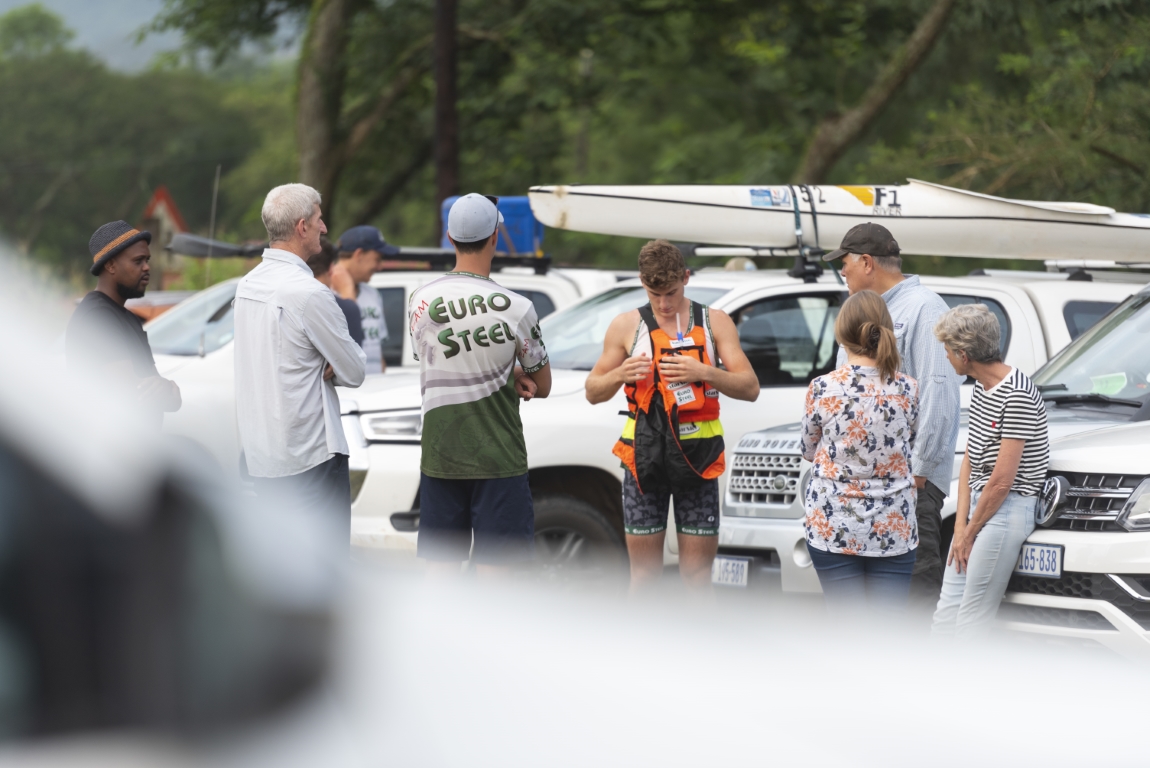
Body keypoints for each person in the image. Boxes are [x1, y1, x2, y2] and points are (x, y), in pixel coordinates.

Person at [585, 240, 759, 594]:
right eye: (654, 294)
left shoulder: (715, 322)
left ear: (686, 278)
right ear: (642, 282)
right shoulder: (626, 325)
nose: (664, 304)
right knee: (644, 576)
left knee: (697, 577)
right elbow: (592, 391)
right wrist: (620, 374)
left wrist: (704, 371)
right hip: (644, 459)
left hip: (698, 459)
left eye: (671, 293)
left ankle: (698, 632)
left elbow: (750, 387)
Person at [823, 222, 962, 617]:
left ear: (867, 262)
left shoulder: (925, 308)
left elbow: (939, 395)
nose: (842, 271)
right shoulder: (861, 310)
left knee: (910, 602)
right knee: (865, 608)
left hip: (908, 486)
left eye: (845, 263)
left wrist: (918, 473)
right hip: (859, 487)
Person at [408, 193, 551, 575]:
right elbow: (543, 383)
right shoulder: (517, 306)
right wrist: (514, 374)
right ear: (494, 238)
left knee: (439, 577)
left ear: (450, 239)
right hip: (499, 459)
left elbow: (433, 360)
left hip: (440, 457)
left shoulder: (420, 300)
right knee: (497, 582)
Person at [234, 184, 367, 551]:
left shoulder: (246, 286)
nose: (325, 227)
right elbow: (355, 370)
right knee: (325, 568)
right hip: (312, 458)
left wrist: (325, 358)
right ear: (301, 226)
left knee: (280, 567)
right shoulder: (309, 292)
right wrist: (329, 359)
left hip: (263, 457)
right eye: (319, 219)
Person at [931, 304, 1048, 639]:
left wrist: (969, 531)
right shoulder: (982, 388)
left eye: (947, 349)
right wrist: (960, 526)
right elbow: (971, 459)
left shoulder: (1018, 393)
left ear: (963, 354)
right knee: (945, 615)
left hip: (1006, 509)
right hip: (979, 509)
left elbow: (1001, 482)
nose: (945, 355)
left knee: (971, 621)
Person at [800, 290, 920, 613]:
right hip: (893, 526)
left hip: (833, 523)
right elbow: (909, 441)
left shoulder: (822, 388)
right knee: (886, 630)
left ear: (842, 333)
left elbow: (808, 450)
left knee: (846, 628)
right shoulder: (908, 388)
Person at [66, 220, 181, 426]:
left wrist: (165, 389)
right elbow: (133, 394)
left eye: (147, 260)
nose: (147, 267)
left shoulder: (128, 318)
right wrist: (166, 388)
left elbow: (173, 402)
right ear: (110, 265)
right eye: (138, 261)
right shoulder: (98, 316)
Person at [333, 225, 399, 374]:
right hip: (348, 387)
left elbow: (378, 351)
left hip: (374, 386)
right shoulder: (324, 292)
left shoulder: (373, 294)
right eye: (377, 259)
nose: (379, 267)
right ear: (359, 254)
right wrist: (347, 292)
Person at [310, 238, 364, 347]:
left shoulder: (283, 302)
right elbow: (354, 352)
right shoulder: (345, 308)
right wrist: (347, 291)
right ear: (331, 268)